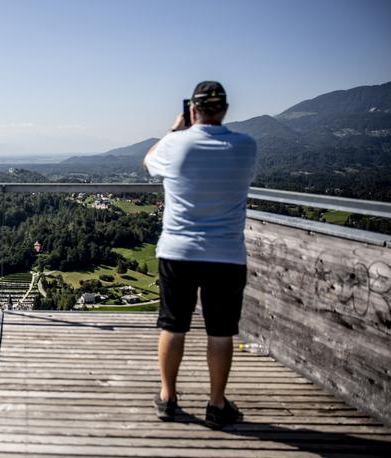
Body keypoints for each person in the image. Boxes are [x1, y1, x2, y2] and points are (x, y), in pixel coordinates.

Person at [143, 81, 257, 428]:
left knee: (172, 326)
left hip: (178, 251)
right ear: (223, 109)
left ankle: (167, 398)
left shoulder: (175, 145)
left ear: (192, 109)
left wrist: (176, 129)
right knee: (221, 332)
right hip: (226, 254)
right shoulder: (246, 147)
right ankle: (217, 403)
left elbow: (148, 161)